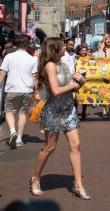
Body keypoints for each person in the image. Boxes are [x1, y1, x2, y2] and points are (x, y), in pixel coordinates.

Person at [30, 37, 90, 199]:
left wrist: (80, 81)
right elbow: (55, 91)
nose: (65, 47)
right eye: (63, 46)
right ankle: (35, 178)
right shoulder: (50, 66)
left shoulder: (64, 65)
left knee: (76, 145)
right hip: (53, 111)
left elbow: (70, 87)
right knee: (50, 147)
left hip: (68, 110)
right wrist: (72, 85)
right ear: (55, 48)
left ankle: (78, 185)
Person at [0, 37, 38, 148]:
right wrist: (36, 91)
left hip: (12, 88)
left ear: (15, 46)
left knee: (9, 111)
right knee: (22, 113)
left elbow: (2, 73)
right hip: (26, 89)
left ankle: (12, 131)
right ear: (28, 46)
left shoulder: (9, 57)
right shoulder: (32, 59)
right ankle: (19, 139)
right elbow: (34, 77)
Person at [75, 44, 88, 120]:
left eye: (85, 50)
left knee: (86, 95)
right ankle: (75, 112)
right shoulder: (76, 58)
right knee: (76, 96)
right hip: (77, 78)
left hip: (85, 79)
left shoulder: (88, 59)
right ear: (79, 51)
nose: (84, 51)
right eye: (83, 50)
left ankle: (83, 113)